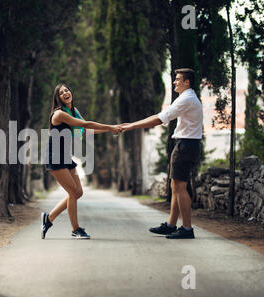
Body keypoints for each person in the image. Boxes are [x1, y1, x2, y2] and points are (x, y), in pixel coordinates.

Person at [120, 68, 203, 239]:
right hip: (186, 144)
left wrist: (131, 125)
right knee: (176, 186)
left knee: (180, 188)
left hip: (186, 146)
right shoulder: (188, 97)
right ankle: (171, 225)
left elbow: (160, 118)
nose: (174, 82)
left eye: (178, 79)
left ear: (187, 82)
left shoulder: (186, 98)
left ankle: (187, 229)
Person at [41, 83, 122, 239]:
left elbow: (86, 130)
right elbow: (85, 124)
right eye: (61, 92)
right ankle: (75, 229)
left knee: (78, 192)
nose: (65, 93)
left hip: (65, 155)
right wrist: (111, 127)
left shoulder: (73, 111)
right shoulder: (59, 114)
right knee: (73, 193)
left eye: (67, 90)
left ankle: (48, 218)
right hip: (55, 156)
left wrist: (112, 129)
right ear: (57, 98)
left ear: (71, 92)